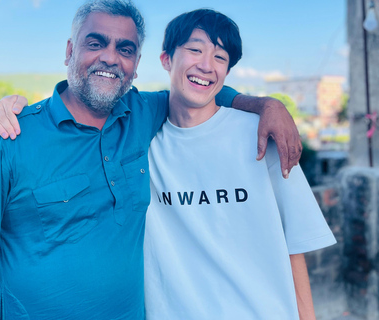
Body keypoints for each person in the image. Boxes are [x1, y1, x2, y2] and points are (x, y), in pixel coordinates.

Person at [0, 1, 301, 319]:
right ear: (70, 52)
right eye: (96, 42)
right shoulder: (6, 139)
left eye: (125, 49)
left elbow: (200, 88)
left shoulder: (142, 114)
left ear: (136, 65)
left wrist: (268, 105)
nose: (110, 57)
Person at [141, 9, 336, 320]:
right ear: (166, 59)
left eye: (220, 57)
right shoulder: (142, 143)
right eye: (194, 50)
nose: (206, 65)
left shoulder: (263, 135)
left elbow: (293, 245)